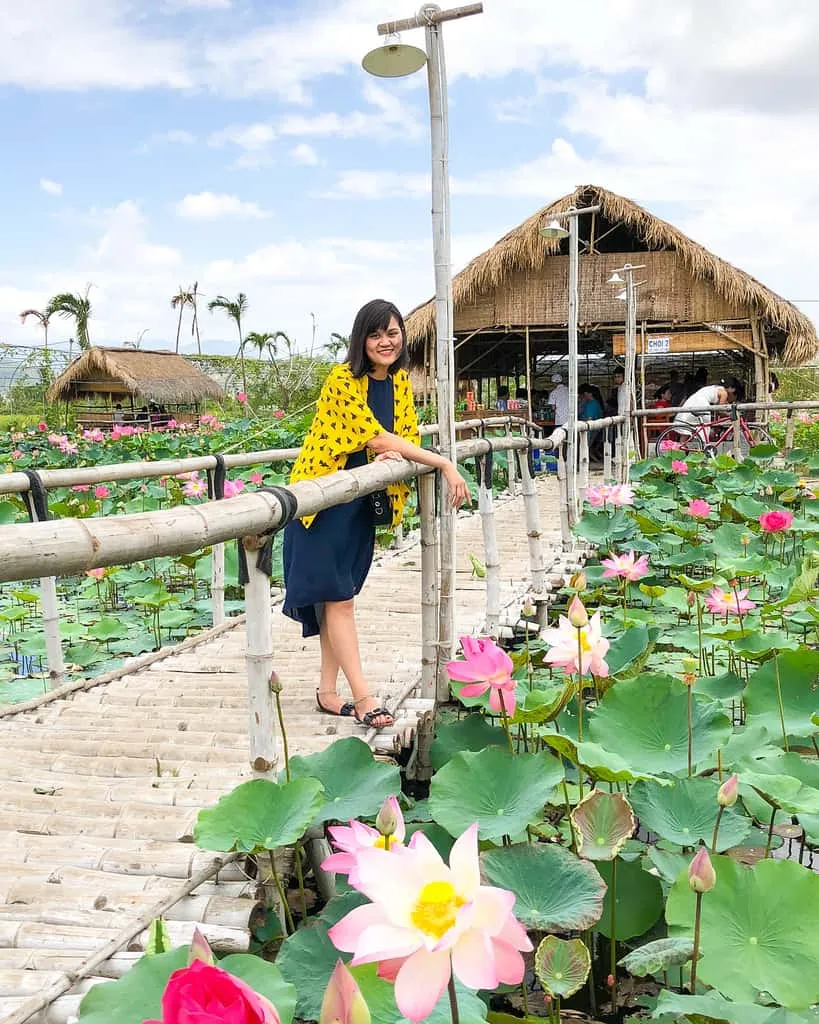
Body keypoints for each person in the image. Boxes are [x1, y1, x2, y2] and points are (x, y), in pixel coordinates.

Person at [283, 299, 470, 730]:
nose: (385, 342)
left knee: (338, 599)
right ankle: (364, 698)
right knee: (340, 601)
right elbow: (376, 435)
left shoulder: (400, 381)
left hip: (362, 503)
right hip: (323, 504)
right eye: (375, 334)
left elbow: (402, 438)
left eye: (392, 332)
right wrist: (442, 462)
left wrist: (397, 449)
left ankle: (327, 693)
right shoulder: (341, 380)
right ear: (360, 339)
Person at [673, 375, 745, 435]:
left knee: (690, 425)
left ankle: (682, 444)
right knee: (705, 427)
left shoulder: (716, 388)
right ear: (732, 389)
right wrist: (730, 415)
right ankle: (704, 444)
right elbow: (720, 410)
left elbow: (718, 409)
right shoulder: (724, 393)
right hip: (701, 403)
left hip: (694, 401)